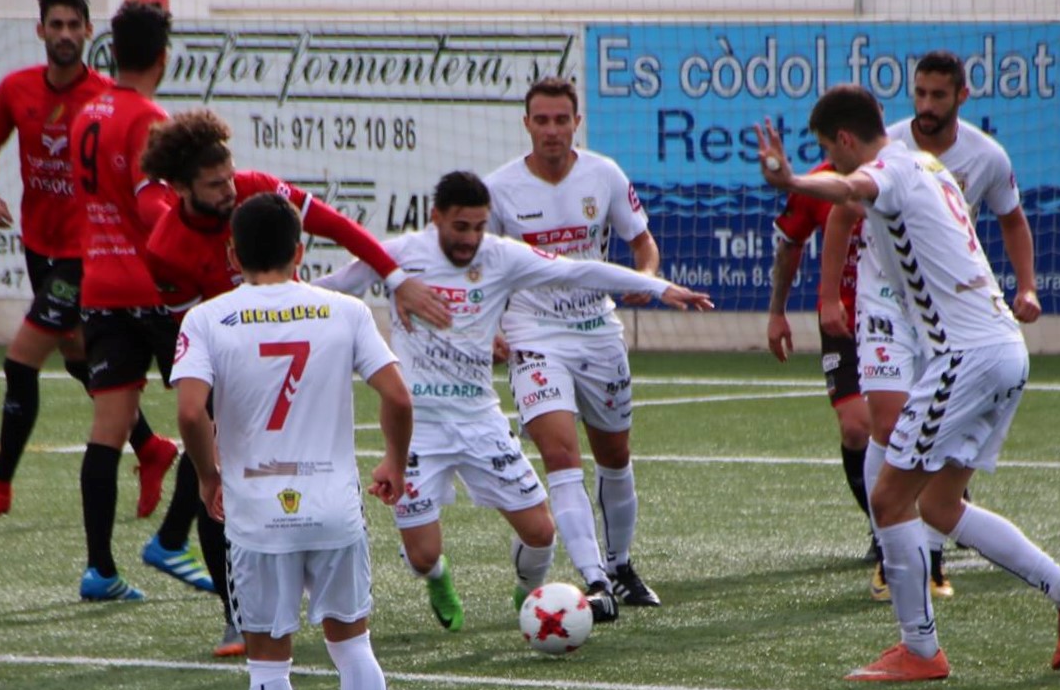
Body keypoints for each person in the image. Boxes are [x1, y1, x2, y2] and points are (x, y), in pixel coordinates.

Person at [757, 85, 1060, 681]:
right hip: (1003, 351)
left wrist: (790, 181)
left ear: (846, 139)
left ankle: (920, 650)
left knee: (889, 499)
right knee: (940, 506)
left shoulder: (889, 169)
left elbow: (850, 188)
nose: (830, 163)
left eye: (828, 151)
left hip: (967, 357)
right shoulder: (929, 165)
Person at [317, 171, 712, 630]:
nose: (471, 239)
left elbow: (576, 270)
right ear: (436, 217)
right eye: (460, 227)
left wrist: (658, 286)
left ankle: (529, 598)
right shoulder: (400, 256)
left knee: (541, 534)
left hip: (481, 420)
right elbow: (334, 287)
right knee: (423, 556)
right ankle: (438, 577)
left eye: (479, 227)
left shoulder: (501, 256)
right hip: (419, 428)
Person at [138, 108, 451, 657]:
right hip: (230, 354)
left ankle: (308, 591)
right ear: (181, 188)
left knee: (302, 458)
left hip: (292, 334)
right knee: (213, 468)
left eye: (230, 176)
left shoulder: (259, 191)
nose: (230, 190)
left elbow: (339, 227)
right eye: (215, 185)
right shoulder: (165, 248)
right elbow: (192, 336)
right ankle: (237, 614)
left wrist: (396, 277)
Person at [175, 193, 411, 690]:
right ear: (301, 251)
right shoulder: (344, 311)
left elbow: (191, 413)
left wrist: (209, 476)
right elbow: (397, 395)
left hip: (257, 517)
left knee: (268, 665)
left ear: (232, 255)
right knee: (353, 648)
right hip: (332, 510)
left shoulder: (207, 317)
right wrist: (393, 461)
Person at [0, 0, 179, 526]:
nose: (66, 34)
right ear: (41, 31)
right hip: (40, 246)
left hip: (86, 255)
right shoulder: (16, 89)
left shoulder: (105, 99)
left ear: (90, 33)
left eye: (75, 25)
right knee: (79, 358)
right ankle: (150, 447)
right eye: (56, 25)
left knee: (21, 359)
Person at [819, 50, 1040, 601]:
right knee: (888, 424)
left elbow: (1013, 221)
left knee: (934, 448)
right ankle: (891, 552)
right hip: (885, 303)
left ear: (961, 96)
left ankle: (931, 556)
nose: (926, 105)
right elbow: (843, 211)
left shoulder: (982, 157)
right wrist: (828, 298)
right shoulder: (891, 147)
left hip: (945, 314)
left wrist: (1028, 285)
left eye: (938, 95)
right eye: (919, 93)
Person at [485, 75, 664, 608]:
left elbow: (643, 242)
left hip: (597, 331)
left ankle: (620, 565)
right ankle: (595, 581)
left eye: (561, 120)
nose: (552, 130)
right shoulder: (499, 190)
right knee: (561, 454)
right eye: (541, 120)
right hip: (534, 334)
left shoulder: (603, 175)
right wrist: (489, 327)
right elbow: (479, 270)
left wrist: (646, 277)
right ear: (526, 124)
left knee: (615, 455)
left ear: (576, 123)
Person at [67, 0, 185, 602]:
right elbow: (149, 205)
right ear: (163, 57)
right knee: (214, 418)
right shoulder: (149, 118)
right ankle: (173, 539)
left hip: (100, 287)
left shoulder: (87, 112)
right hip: (152, 289)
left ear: (111, 52)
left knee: (107, 431)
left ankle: (99, 570)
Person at [766, 166, 876, 571]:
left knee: (907, 421)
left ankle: (947, 497)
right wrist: (777, 313)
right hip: (842, 321)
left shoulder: (897, 173)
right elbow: (790, 245)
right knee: (855, 427)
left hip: (904, 318)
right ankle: (884, 525)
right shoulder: (816, 184)